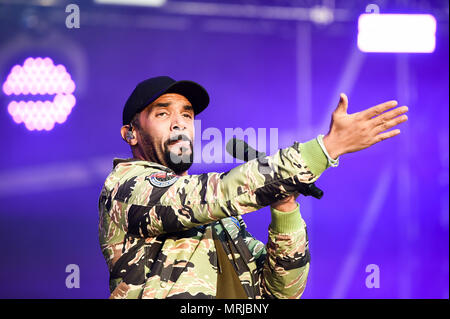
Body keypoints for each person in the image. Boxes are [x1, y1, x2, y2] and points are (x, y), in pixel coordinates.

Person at [98, 76, 408, 299]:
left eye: (187, 114)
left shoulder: (222, 222)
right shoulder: (126, 188)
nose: (180, 123)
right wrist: (324, 150)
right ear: (131, 134)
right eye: (163, 113)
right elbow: (213, 194)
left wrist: (285, 207)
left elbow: (281, 290)